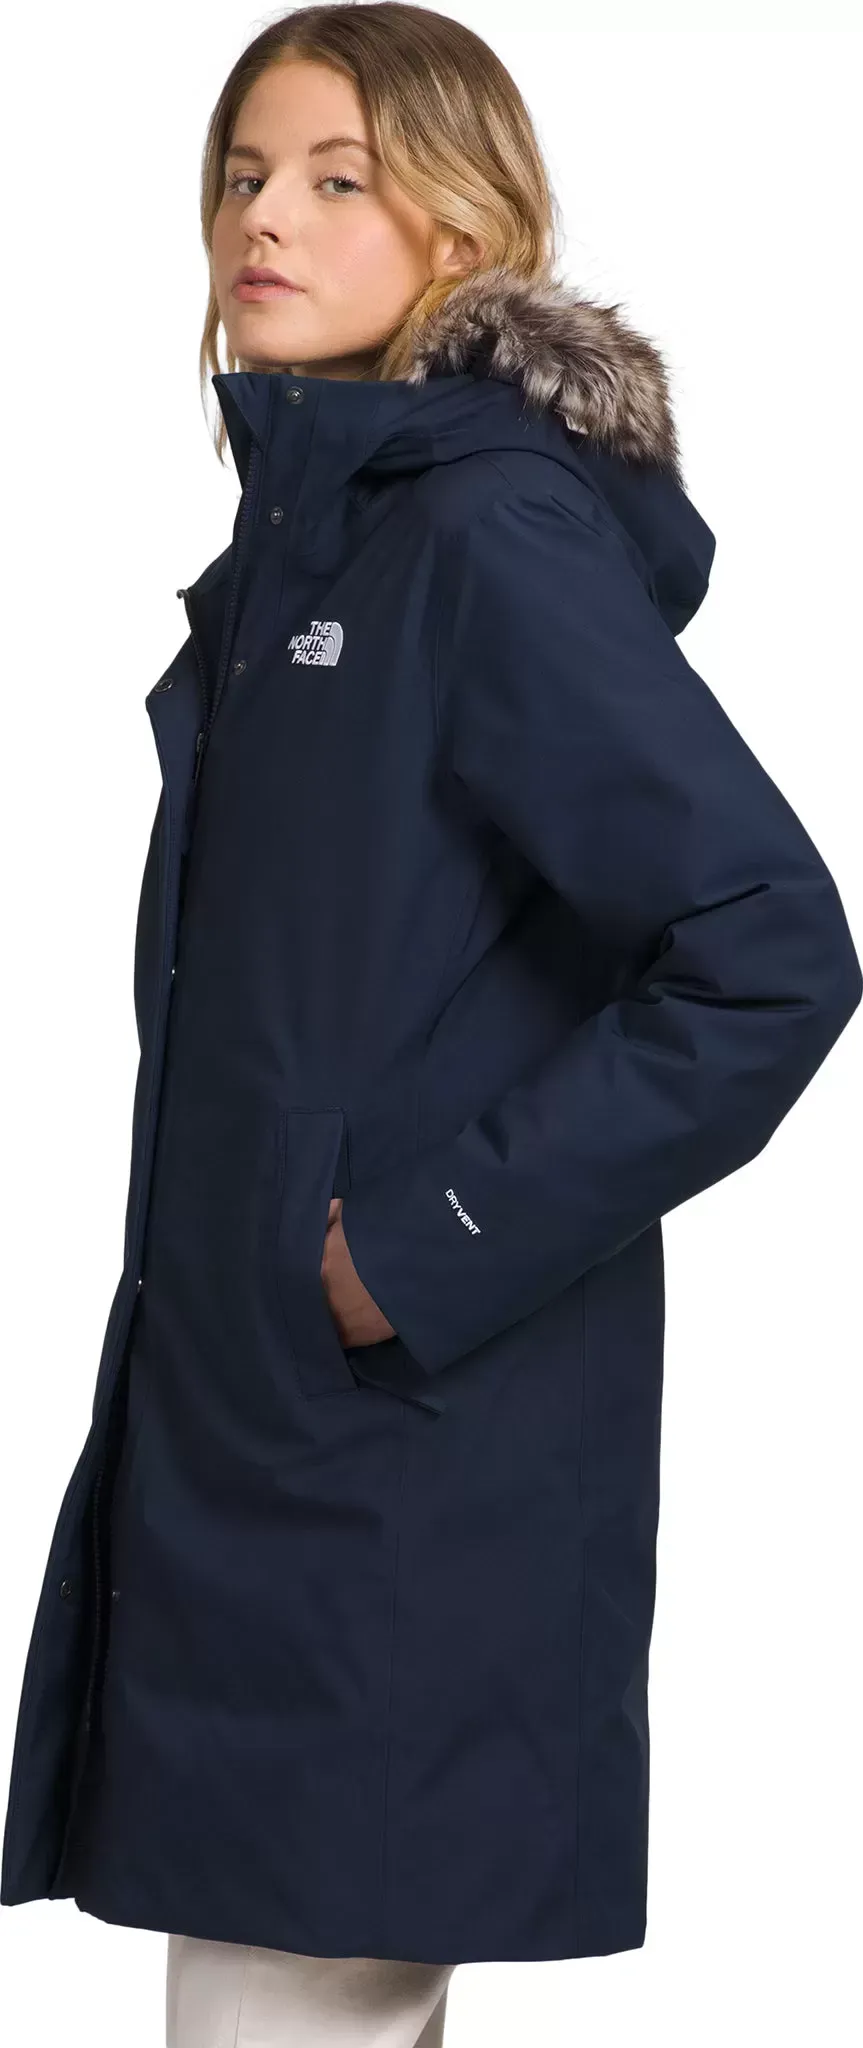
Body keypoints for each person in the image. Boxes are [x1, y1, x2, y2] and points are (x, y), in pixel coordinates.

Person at [2, 6, 861, 2045]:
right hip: (260, 1450)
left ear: (461, 233)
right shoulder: (311, 555)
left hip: (393, 1480)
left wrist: (417, 1245)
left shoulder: (478, 536)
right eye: (241, 175)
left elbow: (764, 945)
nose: (262, 219)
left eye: (336, 178)